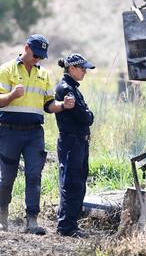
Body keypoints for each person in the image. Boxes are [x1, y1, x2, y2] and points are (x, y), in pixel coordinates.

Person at [0, 34, 75, 235]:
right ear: (26, 48)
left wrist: (63, 106)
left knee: (34, 176)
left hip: (34, 134)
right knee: (6, 178)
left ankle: (32, 220)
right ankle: (2, 214)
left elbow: (48, 105)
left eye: (41, 56)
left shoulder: (44, 74)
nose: (38, 59)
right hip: (9, 132)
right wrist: (12, 95)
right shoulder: (6, 70)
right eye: (35, 54)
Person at [54, 53, 95, 238]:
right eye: (82, 68)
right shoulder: (66, 89)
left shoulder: (72, 88)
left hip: (77, 141)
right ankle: (66, 226)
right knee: (71, 183)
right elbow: (85, 117)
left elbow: (85, 116)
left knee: (78, 182)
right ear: (71, 68)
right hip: (72, 141)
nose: (85, 71)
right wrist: (88, 114)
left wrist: (87, 115)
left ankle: (70, 224)